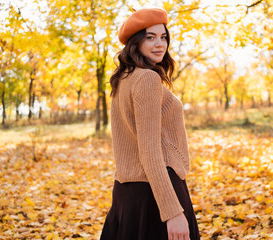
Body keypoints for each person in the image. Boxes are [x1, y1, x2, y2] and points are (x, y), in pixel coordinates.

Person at [100, 7, 200, 240]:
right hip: (157, 191)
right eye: (150, 37)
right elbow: (150, 152)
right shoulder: (147, 79)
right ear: (136, 42)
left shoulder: (123, 79)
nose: (160, 44)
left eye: (163, 37)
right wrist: (173, 212)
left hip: (127, 192)